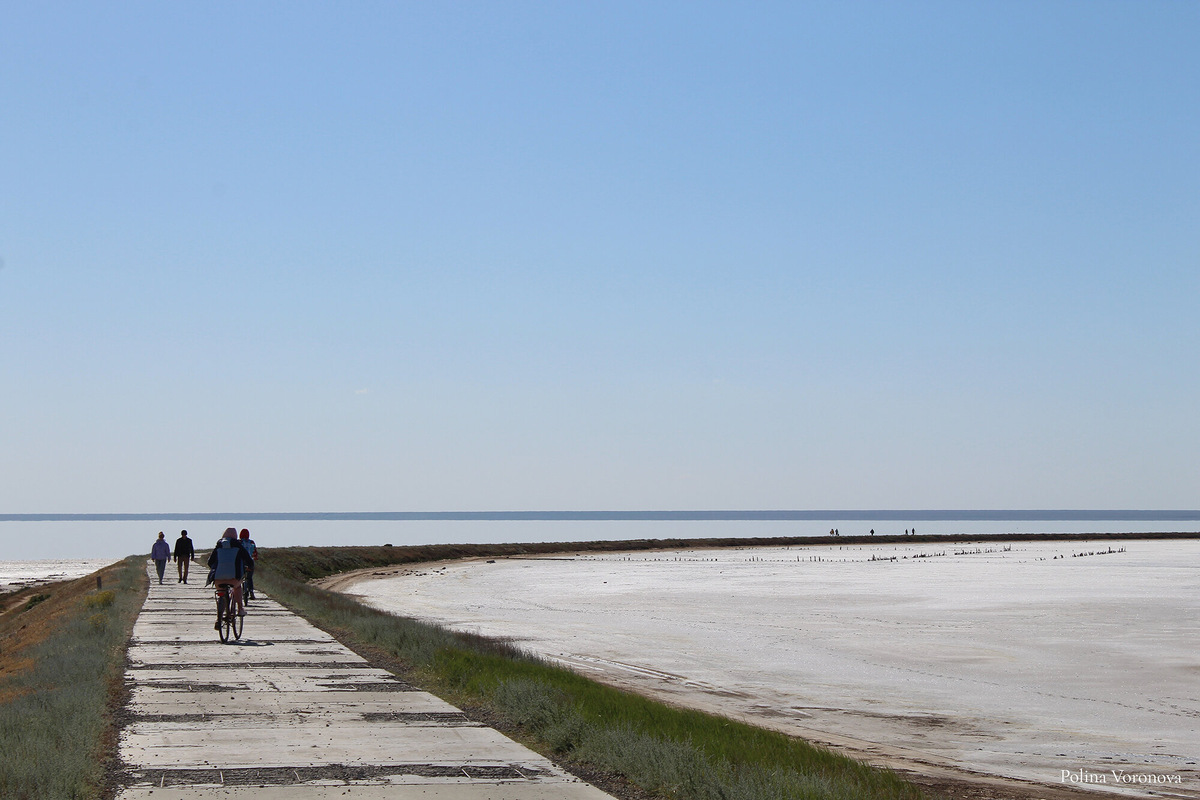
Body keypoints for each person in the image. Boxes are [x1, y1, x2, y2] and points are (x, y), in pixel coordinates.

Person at [207, 527, 253, 629]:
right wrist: (249, 567)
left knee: (221, 593)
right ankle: (240, 609)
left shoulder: (219, 545)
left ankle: (219, 619)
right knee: (237, 587)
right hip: (233, 577)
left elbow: (210, 562)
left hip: (218, 578)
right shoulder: (238, 546)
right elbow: (249, 560)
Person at [238, 529, 258, 600]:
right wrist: (255, 557)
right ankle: (251, 592)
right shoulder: (251, 542)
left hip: (241, 562)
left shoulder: (239, 542)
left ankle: (240, 592)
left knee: (240, 576)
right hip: (250, 562)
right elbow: (255, 553)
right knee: (249, 577)